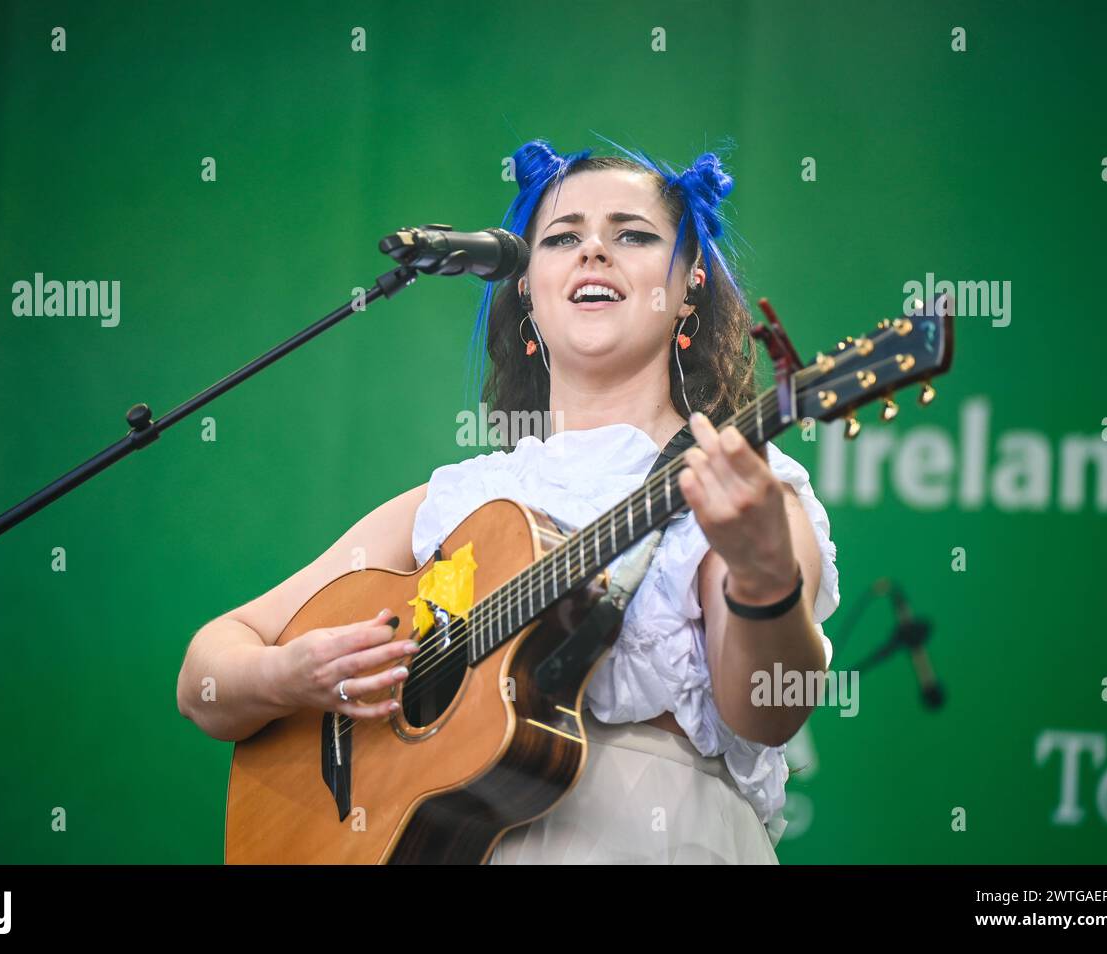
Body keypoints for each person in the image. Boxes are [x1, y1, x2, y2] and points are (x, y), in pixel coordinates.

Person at [176, 136, 839, 864]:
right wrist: (291, 674)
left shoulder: (738, 483)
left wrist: (766, 580)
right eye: (561, 237)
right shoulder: (459, 499)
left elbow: (770, 711)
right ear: (525, 286)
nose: (593, 251)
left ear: (689, 287)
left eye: (634, 234)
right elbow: (206, 675)